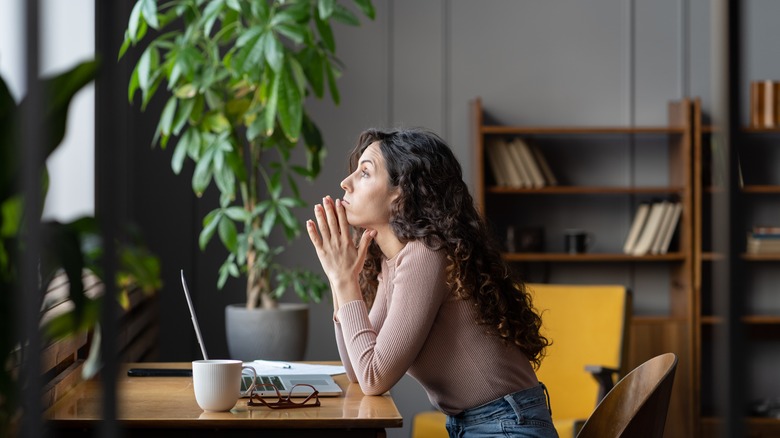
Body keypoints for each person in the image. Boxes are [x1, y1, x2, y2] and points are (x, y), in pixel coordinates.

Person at [306, 128, 557, 438]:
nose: (346, 182)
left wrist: (345, 282)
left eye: (365, 172)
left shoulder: (426, 253)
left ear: (401, 192)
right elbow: (359, 371)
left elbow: (373, 377)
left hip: (507, 426)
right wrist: (339, 278)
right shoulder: (394, 263)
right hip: (483, 424)